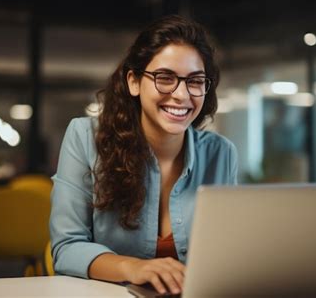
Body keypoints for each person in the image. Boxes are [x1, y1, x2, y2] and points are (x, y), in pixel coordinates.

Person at [49, 15, 238, 295]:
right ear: (134, 82)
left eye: (195, 81)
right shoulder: (85, 136)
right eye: (165, 78)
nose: (181, 95)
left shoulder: (221, 153)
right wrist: (133, 267)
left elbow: (228, 252)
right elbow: (66, 249)